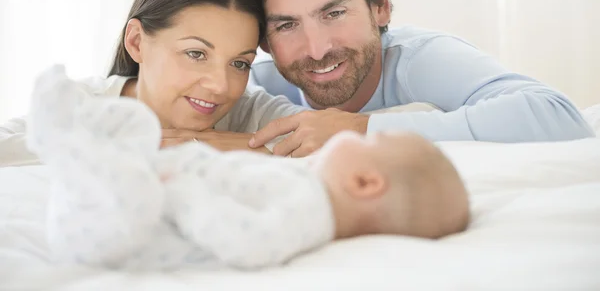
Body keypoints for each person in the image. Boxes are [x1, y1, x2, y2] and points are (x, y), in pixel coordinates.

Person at [237, 0, 595, 157]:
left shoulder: (417, 60)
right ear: (264, 40)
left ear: (380, 5)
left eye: (334, 13)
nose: (316, 49)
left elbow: (559, 117)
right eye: (287, 25)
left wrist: (359, 129)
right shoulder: (254, 83)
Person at [29, 65, 469, 270]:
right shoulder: (308, 189)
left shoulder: (309, 213)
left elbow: (245, 240)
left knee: (119, 165)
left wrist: (182, 189)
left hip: (125, 230)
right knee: (135, 125)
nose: (352, 133)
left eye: (369, 140)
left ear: (364, 181)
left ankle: (63, 140)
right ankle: (79, 140)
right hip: (134, 207)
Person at [0, 0, 308, 167]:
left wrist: (228, 147)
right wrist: (136, 145)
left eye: (240, 63)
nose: (220, 86)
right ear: (136, 42)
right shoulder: (79, 105)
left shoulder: (250, 111)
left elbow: (337, 145)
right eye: (196, 54)